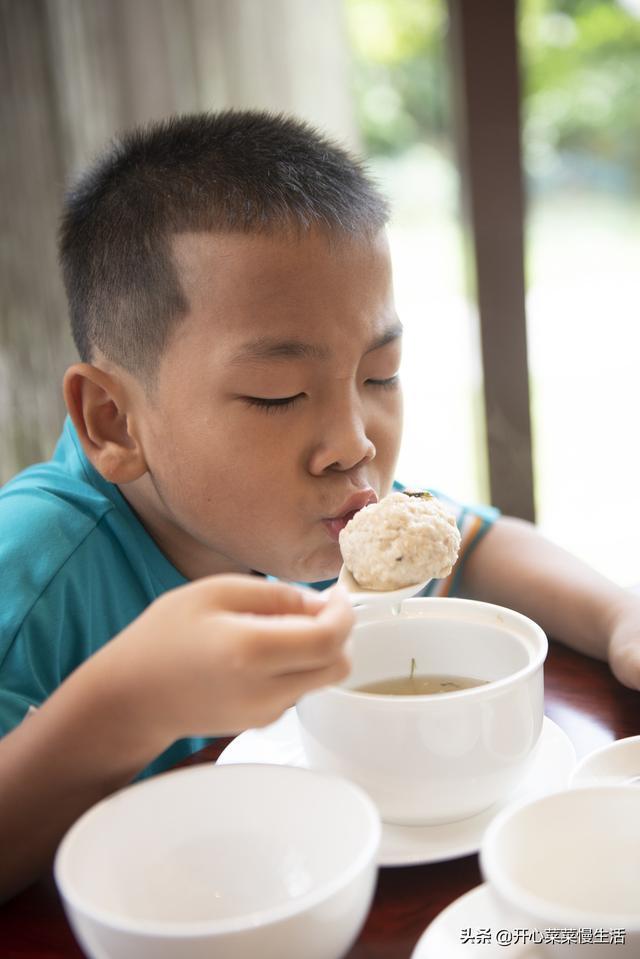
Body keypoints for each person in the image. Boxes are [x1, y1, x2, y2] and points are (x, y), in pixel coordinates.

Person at [1, 111, 639, 901]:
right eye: (279, 394)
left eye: (380, 375)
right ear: (113, 419)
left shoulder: (323, 519)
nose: (353, 441)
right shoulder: (30, 572)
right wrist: (128, 702)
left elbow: (475, 544)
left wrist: (619, 616)